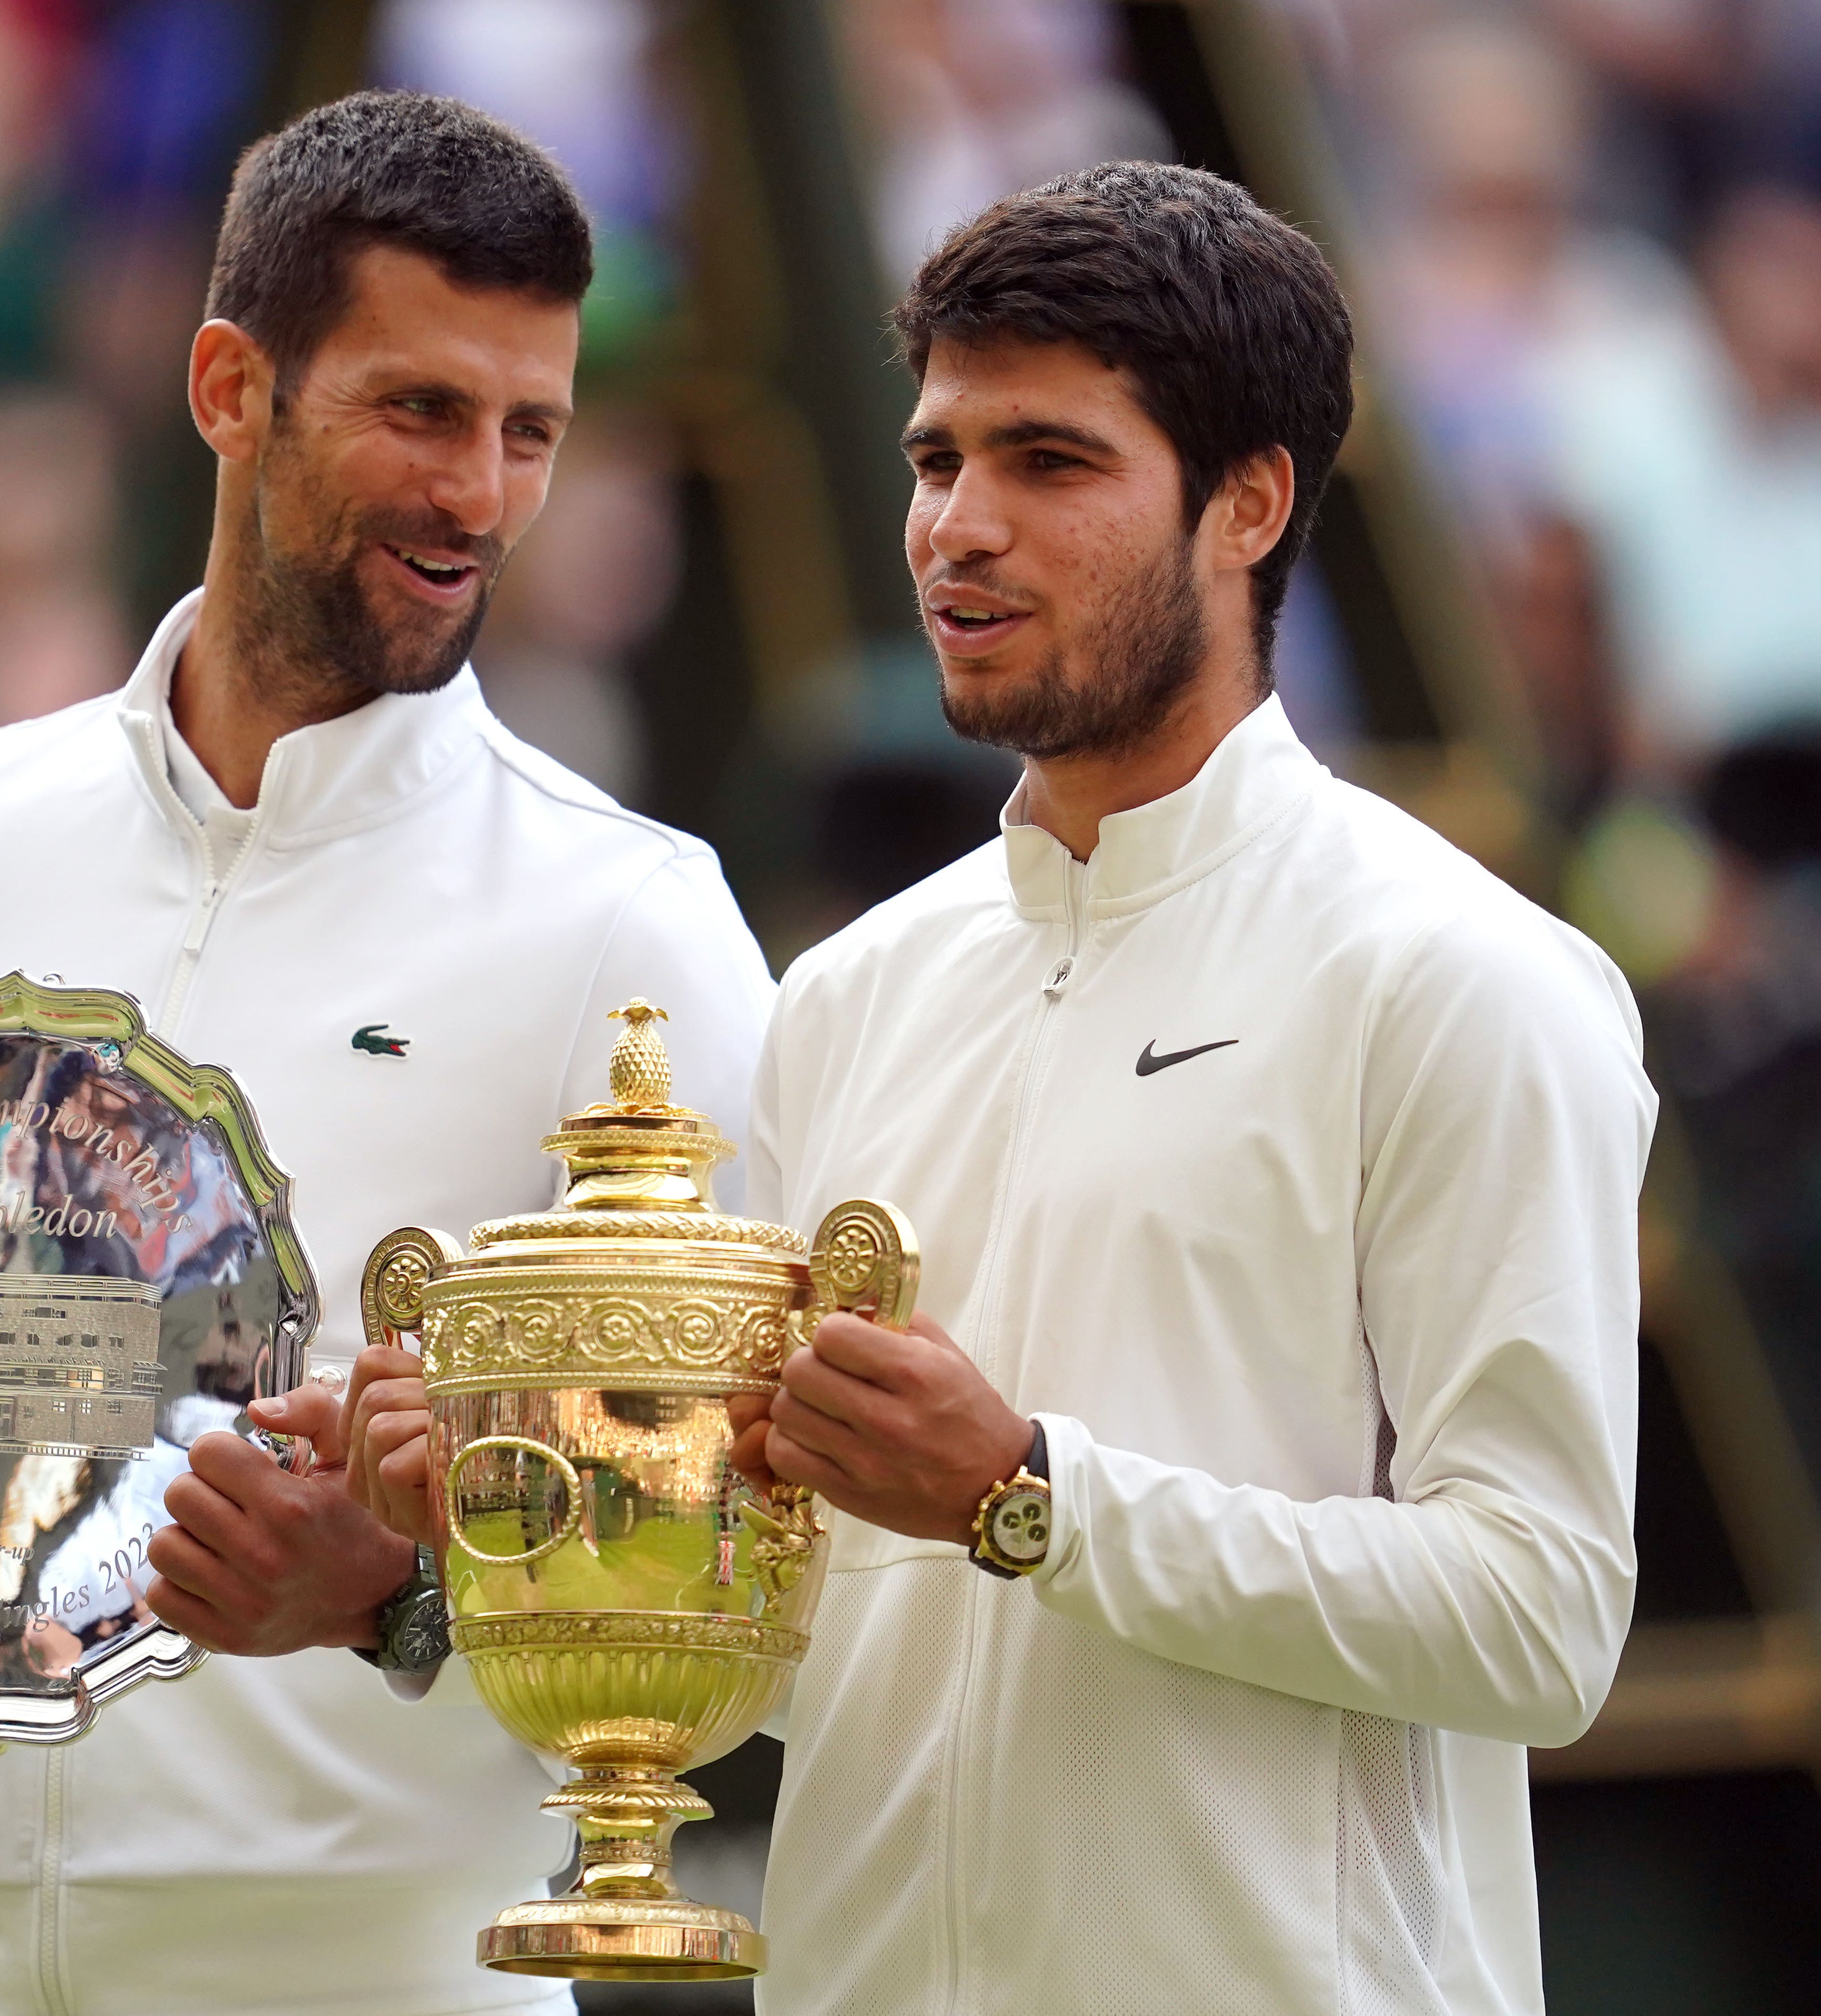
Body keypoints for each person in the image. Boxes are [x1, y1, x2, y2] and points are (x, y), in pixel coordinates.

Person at [0, 91, 772, 2016]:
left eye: (530, 430)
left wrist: (380, 1602)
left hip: (388, 1971)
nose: (480, 491)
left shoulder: (634, 926)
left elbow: (757, 1567)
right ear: (230, 387)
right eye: (419, 410)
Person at [737, 164, 1652, 2011]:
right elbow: (787, 1656)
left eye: (1051, 464)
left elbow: (1544, 1616)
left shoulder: (1456, 978)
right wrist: (500, 1539)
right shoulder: (842, 1001)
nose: (958, 531)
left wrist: (1028, 1497)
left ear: (1249, 504)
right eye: (937, 461)